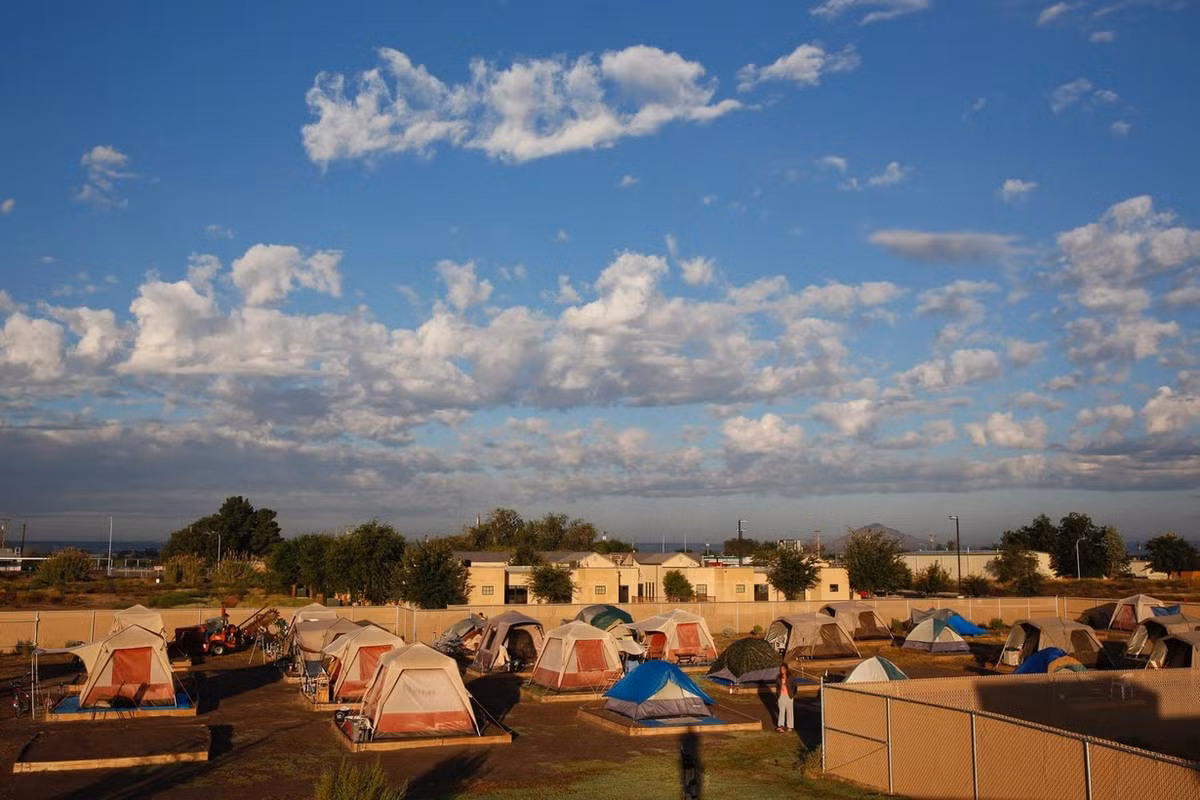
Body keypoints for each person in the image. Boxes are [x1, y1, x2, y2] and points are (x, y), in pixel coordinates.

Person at [776, 663, 796, 732]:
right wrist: (778, 696)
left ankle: (790, 726)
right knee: (781, 711)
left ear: (786, 669)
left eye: (783, 669)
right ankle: (781, 726)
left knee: (789, 711)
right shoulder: (778, 677)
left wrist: (792, 694)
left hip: (789, 696)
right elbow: (777, 687)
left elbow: (794, 686)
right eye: (781, 669)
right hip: (781, 696)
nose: (782, 670)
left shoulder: (790, 677)